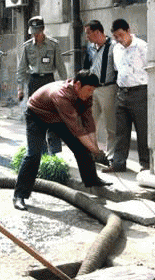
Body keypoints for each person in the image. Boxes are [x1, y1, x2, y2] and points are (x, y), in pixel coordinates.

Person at [13, 69, 112, 211]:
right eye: (89, 90)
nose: (91, 94)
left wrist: (94, 148)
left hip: (57, 117)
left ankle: (92, 180)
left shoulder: (86, 95)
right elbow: (78, 129)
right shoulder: (61, 95)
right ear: (77, 85)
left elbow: (88, 123)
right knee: (34, 155)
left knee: (81, 147)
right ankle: (19, 196)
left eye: (93, 91)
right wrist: (95, 150)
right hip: (37, 114)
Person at [102, 19, 149, 173]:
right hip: (122, 92)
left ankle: (146, 164)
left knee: (142, 130)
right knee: (121, 131)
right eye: (115, 37)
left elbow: (149, 69)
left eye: (121, 35)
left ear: (128, 31)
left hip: (140, 92)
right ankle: (118, 163)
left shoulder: (142, 47)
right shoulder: (116, 49)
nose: (119, 39)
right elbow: (117, 69)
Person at [17, 15, 67, 155]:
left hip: (49, 81)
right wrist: (20, 88)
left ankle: (55, 151)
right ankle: (41, 150)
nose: (35, 35)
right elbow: (21, 69)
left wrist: (66, 85)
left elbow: (61, 67)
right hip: (34, 82)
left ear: (43, 29)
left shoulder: (53, 45)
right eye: (33, 32)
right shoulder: (27, 47)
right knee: (36, 116)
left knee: (53, 114)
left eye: (38, 32)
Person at [83, 20, 118, 163]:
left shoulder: (113, 47)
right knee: (90, 123)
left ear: (98, 32)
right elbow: (86, 66)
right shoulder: (90, 48)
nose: (87, 37)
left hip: (108, 88)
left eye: (88, 33)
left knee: (111, 125)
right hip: (92, 90)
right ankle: (94, 153)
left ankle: (111, 156)